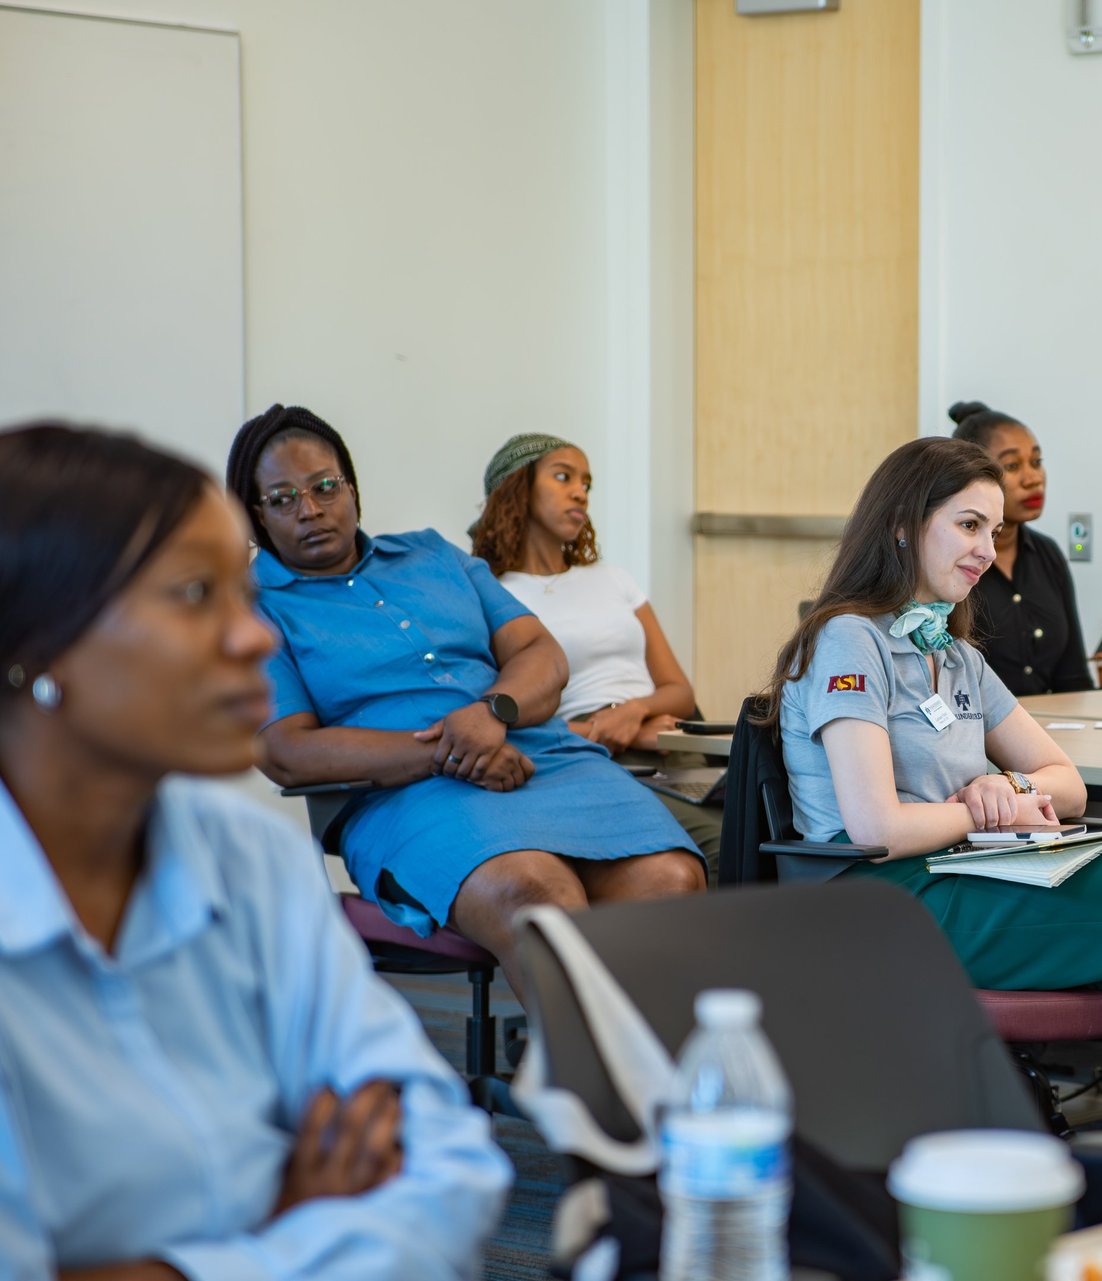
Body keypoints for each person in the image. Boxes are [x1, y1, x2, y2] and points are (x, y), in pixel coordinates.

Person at [0, 421, 511, 1278]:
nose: (258, 639)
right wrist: (284, 1223)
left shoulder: (251, 860)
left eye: (243, 595)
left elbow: (452, 1166)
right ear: (42, 647)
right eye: (197, 595)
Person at [763, 435, 1102, 1137]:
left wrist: (1005, 787)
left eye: (995, 528)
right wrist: (981, 812)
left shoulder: (950, 649)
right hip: (888, 901)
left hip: (971, 874)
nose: (986, 547)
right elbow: (874, 829)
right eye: (968, 524)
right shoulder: (849, 639)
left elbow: (1064, 785)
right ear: (900, 525)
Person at [227, 405, 705, 998]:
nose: (310, 509)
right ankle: (584, 1085)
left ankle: (639, 1076)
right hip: (408, 798)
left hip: (545, 758)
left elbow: (540, 653)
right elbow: (285, 749)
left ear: (352, 487)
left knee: (671, 880)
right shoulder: (253, 608)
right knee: (538, 893)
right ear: (255, 518)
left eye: (326, 486)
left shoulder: (434, 556)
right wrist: (451, 752)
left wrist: (490, 714)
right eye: (282, 499)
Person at [468, 432, 722, 873]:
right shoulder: (492, 595)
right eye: (563, 477)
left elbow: (679, 690)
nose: (580, 492)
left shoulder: (614, 580)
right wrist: (609, 729)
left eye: (586, 482)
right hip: (583, 756)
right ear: (517, 488)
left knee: (764, 832)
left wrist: (633, 712)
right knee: (719, 846)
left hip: (667, 743)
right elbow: (504, 721)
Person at [948, 401, 1093, 696]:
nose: (1033, 479)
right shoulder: (950, 560)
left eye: (1037, 462)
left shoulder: (1047, 554)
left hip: (1049, 732)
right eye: (1012, 466)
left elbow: (1073, 679)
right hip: (975, 732)